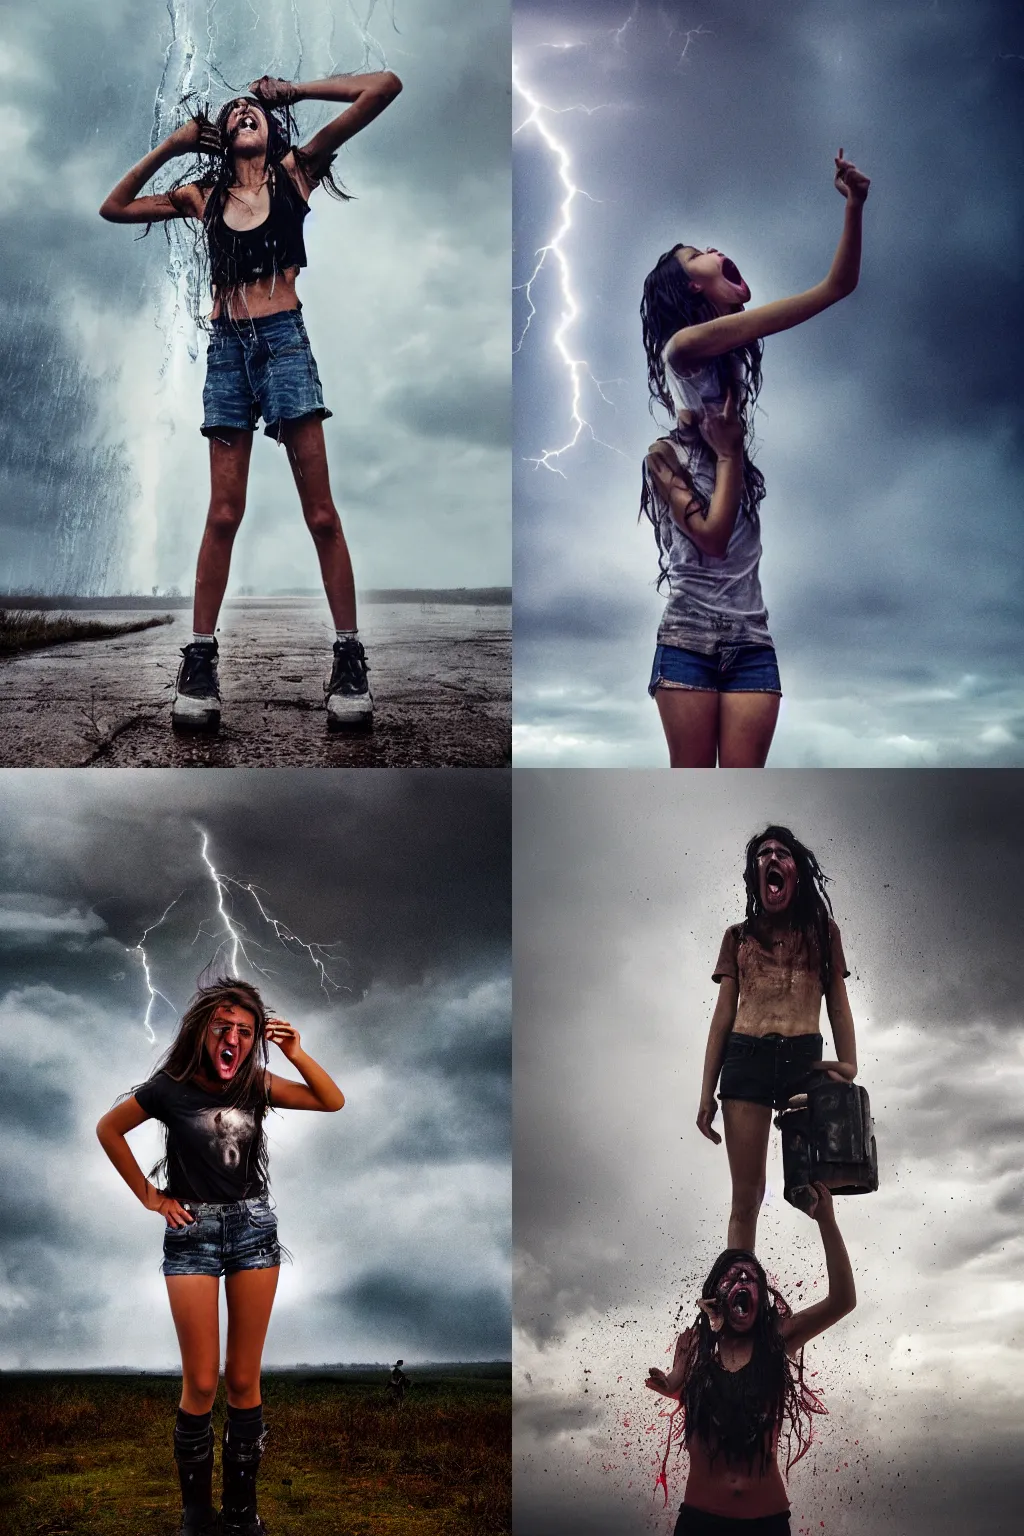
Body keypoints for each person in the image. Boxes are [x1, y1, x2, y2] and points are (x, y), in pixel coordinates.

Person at [100, 67, 403, 733]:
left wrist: (294, 91)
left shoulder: (297, 173)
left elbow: (385, 86)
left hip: (286, 344)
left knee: (321, 515)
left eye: (254, 111)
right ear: (221, 136)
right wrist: (175, 146)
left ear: (268, 128)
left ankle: (349, 658)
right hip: (227, 351)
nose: (244, 113)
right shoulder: (200, 195)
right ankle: (200, 663)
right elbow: (113, 207)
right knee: (224, 513)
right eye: (233, 112)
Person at [640, 150, 870, 767]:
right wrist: (731, 455)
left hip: (752, 639)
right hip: (688, 637)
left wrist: (855, 207)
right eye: (700, 253)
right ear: (692, 285)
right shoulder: (681, 361)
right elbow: (713, 540)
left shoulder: (723, 382)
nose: (715, 248)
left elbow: (838, 287)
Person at [96, 978, 345, 1535]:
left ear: (254, 1039)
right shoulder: (169, 1088)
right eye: (223, 1027)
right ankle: (195, 1515)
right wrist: (150, 1197)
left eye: (245, 1031)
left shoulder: (255, 1083)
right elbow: (109, 1129)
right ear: (204, 1031)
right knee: (202, 1382)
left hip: (253, 1229)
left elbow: (331, 1100)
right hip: (192, 1235)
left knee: (243, 1379)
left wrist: (296, 1053)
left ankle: (241, 1512)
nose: (233, 1037)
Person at [645, 1182, 856, 1534]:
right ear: (715, 1297)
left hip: (766, 1523)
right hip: (701, 1521)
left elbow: (842, 1301)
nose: (742, 1279)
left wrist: (826, 1221)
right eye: (732, 1276)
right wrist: (669, 1383)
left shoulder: (776, 1341)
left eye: (750, 1276)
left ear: (761, 1295)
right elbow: (678, 1385)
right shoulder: (696, 1344)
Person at [696, 826, 858, 1250]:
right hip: (746, 1058)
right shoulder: (738, 938)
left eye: (781, 853)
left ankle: (838, 1291)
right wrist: (704, 1095)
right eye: (763, 853)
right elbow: (722, 1018)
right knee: (747, 1196)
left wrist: (850, 1064)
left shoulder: (824, 932)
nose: (771, 858)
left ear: (796, 872)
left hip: (804, 1063)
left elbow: (838, 1004)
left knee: (812, 1187)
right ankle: (737, 1290)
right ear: (755, 874)